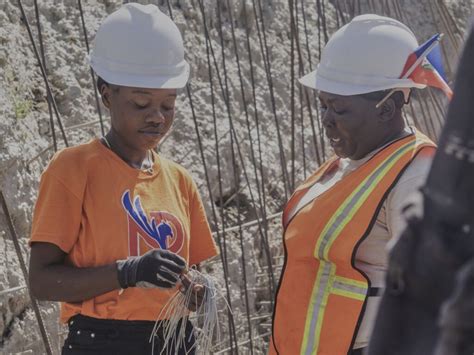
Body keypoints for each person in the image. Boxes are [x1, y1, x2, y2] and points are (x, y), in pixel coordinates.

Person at [28, 3, 218, 354]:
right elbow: (41, 281)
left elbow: (191, 278)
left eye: (168, 104)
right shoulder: (73, 169)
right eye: (141, 103)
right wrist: (126, 272)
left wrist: (196, 292)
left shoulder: (179, 181)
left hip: (175, 342)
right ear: (106, 94)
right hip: (102, 343)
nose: (157, 117)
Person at [269, 14, 441, 355]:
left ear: (387, 108)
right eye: (323, 105)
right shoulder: (345, 166)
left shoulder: (415, 174)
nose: (326, 120)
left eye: (340, 108)